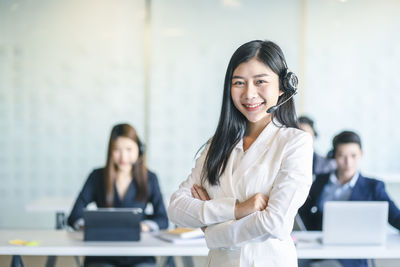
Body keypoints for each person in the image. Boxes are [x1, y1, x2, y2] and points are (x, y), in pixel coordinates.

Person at [168, 40, 313, 267]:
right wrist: (237, 209)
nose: (249, 93)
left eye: (260, 82)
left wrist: (212, 232)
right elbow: (177, 207)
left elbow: (274, 223)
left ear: (283, 86)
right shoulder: (217, 144)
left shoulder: (295, 143)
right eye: (239, 83)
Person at [68, 123, 168, 267]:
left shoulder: (150, 178)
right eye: (117, 150)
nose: (123, 156)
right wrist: (88, 226)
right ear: (110, 151)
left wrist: (144, 226)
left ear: (139, 150)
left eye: (129, 149)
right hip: (102, 255)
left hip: (139, 254)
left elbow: (162, 218)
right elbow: (74, 216)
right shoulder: (97, 176)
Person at [298, 130, 400, 267]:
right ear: (334, 155)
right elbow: (303, 212)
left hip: (355, 255)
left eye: (353, 156)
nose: (348, 162)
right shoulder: (320, 182)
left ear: (361, 154)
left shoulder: (373, 186)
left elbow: (395, 217)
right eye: (342, 156)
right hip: (321, 250)